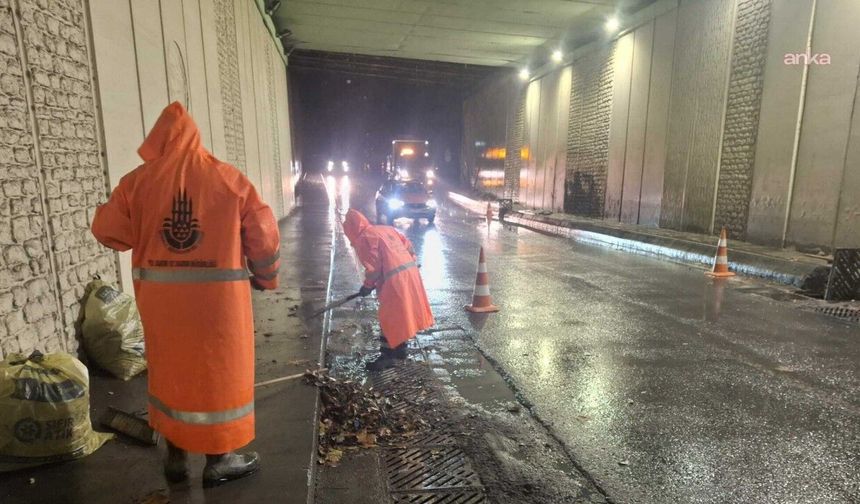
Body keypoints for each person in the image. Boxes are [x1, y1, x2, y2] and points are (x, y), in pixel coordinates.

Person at [91, 102, 280, 487]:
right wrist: (266, 277)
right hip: (219, 310)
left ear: (156, 141)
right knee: (217, 376)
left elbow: (109, 233)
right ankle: (219, 460)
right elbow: (262, 234)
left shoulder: (136, 183)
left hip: (161, 308)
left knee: (171, 372)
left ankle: (175, 459)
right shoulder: (229, 180)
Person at [341, 209, 434, 370]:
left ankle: (387, 355)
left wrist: (367, 286)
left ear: (350, 229)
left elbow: (374, 267)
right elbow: (408, 246)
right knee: (402, 314)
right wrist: (410, 263)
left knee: (389, 316)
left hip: (394, 280)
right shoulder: (384, 229)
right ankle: (400, 349)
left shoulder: (364, 238)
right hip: (410, 273)